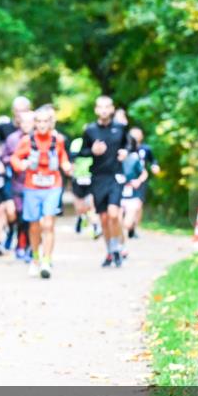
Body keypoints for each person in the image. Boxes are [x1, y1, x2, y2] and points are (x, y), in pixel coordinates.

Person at [10, 105, 71, 279]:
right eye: (39, 121)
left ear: (51, 123)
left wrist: (67, 167)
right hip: (32, 187)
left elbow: (63, 158)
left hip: (53, 186)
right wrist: (20, 165)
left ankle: (47, 260)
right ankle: (35, 258)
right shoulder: (27, 141)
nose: (42, 125)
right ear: (34, 123)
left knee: (49, 223)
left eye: (46, 121)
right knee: (34, 225)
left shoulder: (57, 140)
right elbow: (15, 158)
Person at [77, 95, 132, 268]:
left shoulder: (121, 128)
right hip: (98, 177)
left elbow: (130, 145)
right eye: (100, 107)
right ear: (96, 110)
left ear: (112, 109)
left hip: (115, 176)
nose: (104, 110)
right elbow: (81, 152)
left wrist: (125, 152)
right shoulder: (90, 130)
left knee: (114, 214)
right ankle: (110, 252)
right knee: (104, 218)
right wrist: (92, 150)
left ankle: (117, 248)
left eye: (107, 107)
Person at [0, 97, 31, 253]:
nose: (20, 113)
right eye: (17, 109)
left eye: (23, 109)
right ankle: (10, 231)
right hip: (10, 175)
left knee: (24, 212)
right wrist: (1, 162)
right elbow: (0, 148)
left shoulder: (34, 128)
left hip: (29, 177)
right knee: (12, 211)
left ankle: (23, 243)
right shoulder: (5, 128)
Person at [1, 109, 35, 261]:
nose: (27, 125)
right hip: (18, 183)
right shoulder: (12, 139)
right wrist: (17, 162)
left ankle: (29, 247)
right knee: (20, 216)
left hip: (36, 184)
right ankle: (20, 243)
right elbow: (4, 157)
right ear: (19, 122)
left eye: (30, 121)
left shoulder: (39, 138)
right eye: (24, 121)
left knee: (32, 218)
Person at [128, 126, 159, 237]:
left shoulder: (146, 149)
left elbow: (153, 160)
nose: (135, 136)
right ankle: (127, 225)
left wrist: (155, 166)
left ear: (142, 136)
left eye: (138, 134)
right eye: (133, 134)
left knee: (138, 205)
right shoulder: (126, 148)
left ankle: (134, 228)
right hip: (127, 181)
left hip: (141, 180)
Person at [120, 136, 148, 254]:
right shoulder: (112, 160)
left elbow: (144, 173)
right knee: (118, 222)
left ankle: (129, 234)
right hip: (118, 194)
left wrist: (138, 181)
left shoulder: (134, 159)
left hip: (132, 194)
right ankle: (121, 247)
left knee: (127, 223)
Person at [69, 136, 100, 238]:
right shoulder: (76, 143)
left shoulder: (96, 142)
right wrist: (71, 173)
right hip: (78, 178)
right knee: (80, 207)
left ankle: (95, 226)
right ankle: (81, 217)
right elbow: (72, 159)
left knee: (91, 204)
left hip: (91, 178)